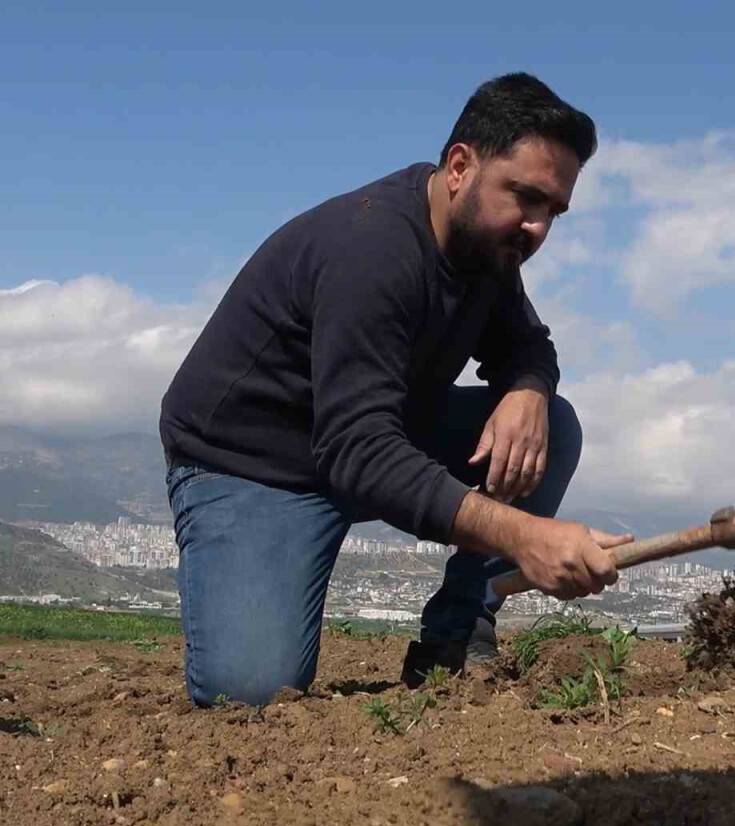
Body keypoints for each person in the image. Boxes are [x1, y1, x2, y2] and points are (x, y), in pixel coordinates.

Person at [159, 72, 631, 707]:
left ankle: (457, 631)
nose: (538, 228)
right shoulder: (372, 250)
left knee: (554, 425)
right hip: (252, 468)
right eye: (525, 196)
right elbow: (358, 452)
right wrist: (521, 534)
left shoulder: (484, 249)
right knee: (251, 693)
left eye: (554, 210)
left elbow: (527, 346)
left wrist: (526, 388)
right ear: (460, 165)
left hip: (368, 437)